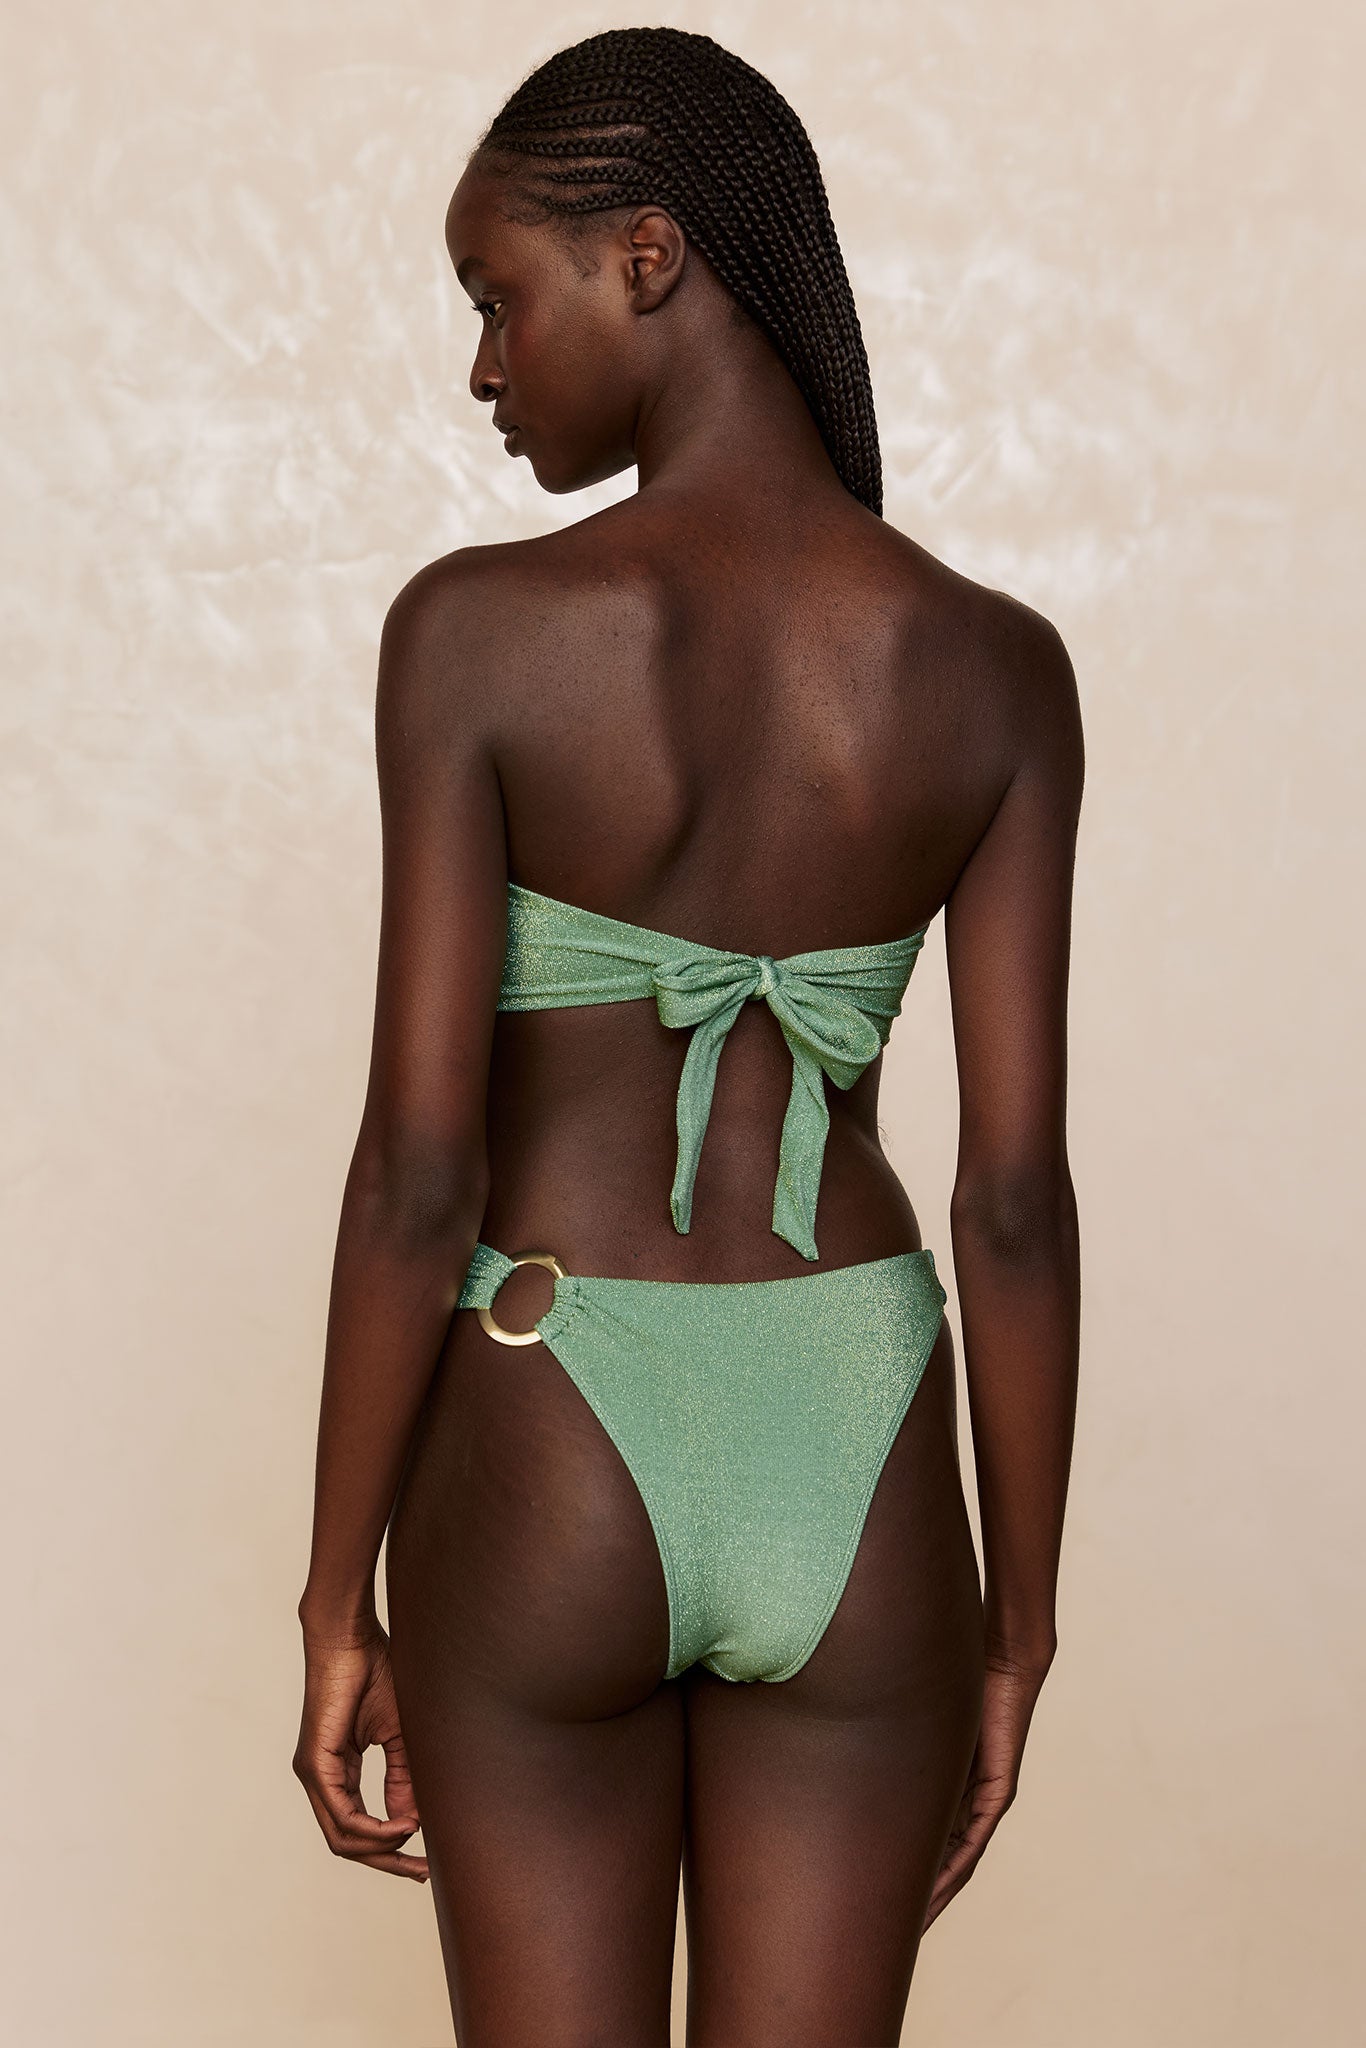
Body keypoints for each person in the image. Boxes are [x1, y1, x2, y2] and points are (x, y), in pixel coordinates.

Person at [292, 25, 1083, 2047]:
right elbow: (1006, 1203)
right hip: (868, 1428)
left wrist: (333, 1594)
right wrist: (1018, 1624)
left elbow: (417, 1174)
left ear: (647, 255)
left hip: (556, 1412)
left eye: (496, 295)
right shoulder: (993, 670)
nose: (483, 366)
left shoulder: (474, 635)